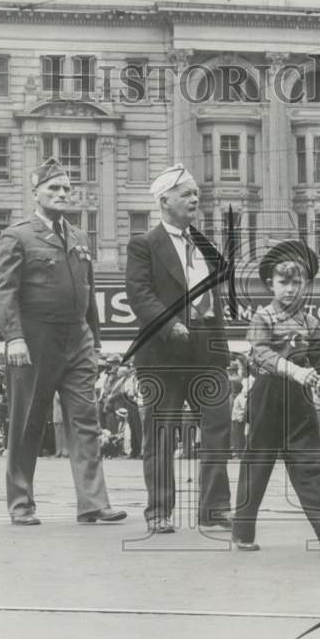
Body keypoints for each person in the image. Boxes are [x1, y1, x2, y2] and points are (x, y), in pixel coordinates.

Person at [0, 158, 126, 526]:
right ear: (35, 193)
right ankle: (21, 502)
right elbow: (2, 291)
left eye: (66, 188)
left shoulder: (79, 237)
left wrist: (94, 341)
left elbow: (87, 290)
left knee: (86, 419)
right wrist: (13, 337)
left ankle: (93, 502)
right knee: (28, 420)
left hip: (76, 337)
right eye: (54, 188)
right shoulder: (17, 235)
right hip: (34, 338)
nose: (63, 194)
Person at [232, 240, 320, 552]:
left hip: (300, 399)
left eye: (297, 282)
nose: (290, 289)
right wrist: (295, 370)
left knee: (307, 464)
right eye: (284, 282)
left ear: (305, 285)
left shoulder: (310, 322)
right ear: (270, 285)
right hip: (268, 396)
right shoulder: (262, 317)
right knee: (257, 464)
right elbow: (260, 353)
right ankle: (242, 531)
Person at [124, 164, 234, 534]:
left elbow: (215, 299)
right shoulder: (144, 245)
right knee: (160, 433)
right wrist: (171, 325)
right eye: (186, 193)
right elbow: (140, 295)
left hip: (207, 353)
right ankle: (159, 510)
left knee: (218, 427)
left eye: (196, 193)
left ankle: (215, 508)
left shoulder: (204, 243)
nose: (194, 198)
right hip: (163, 355)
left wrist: (223, 348)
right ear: (164, 200)